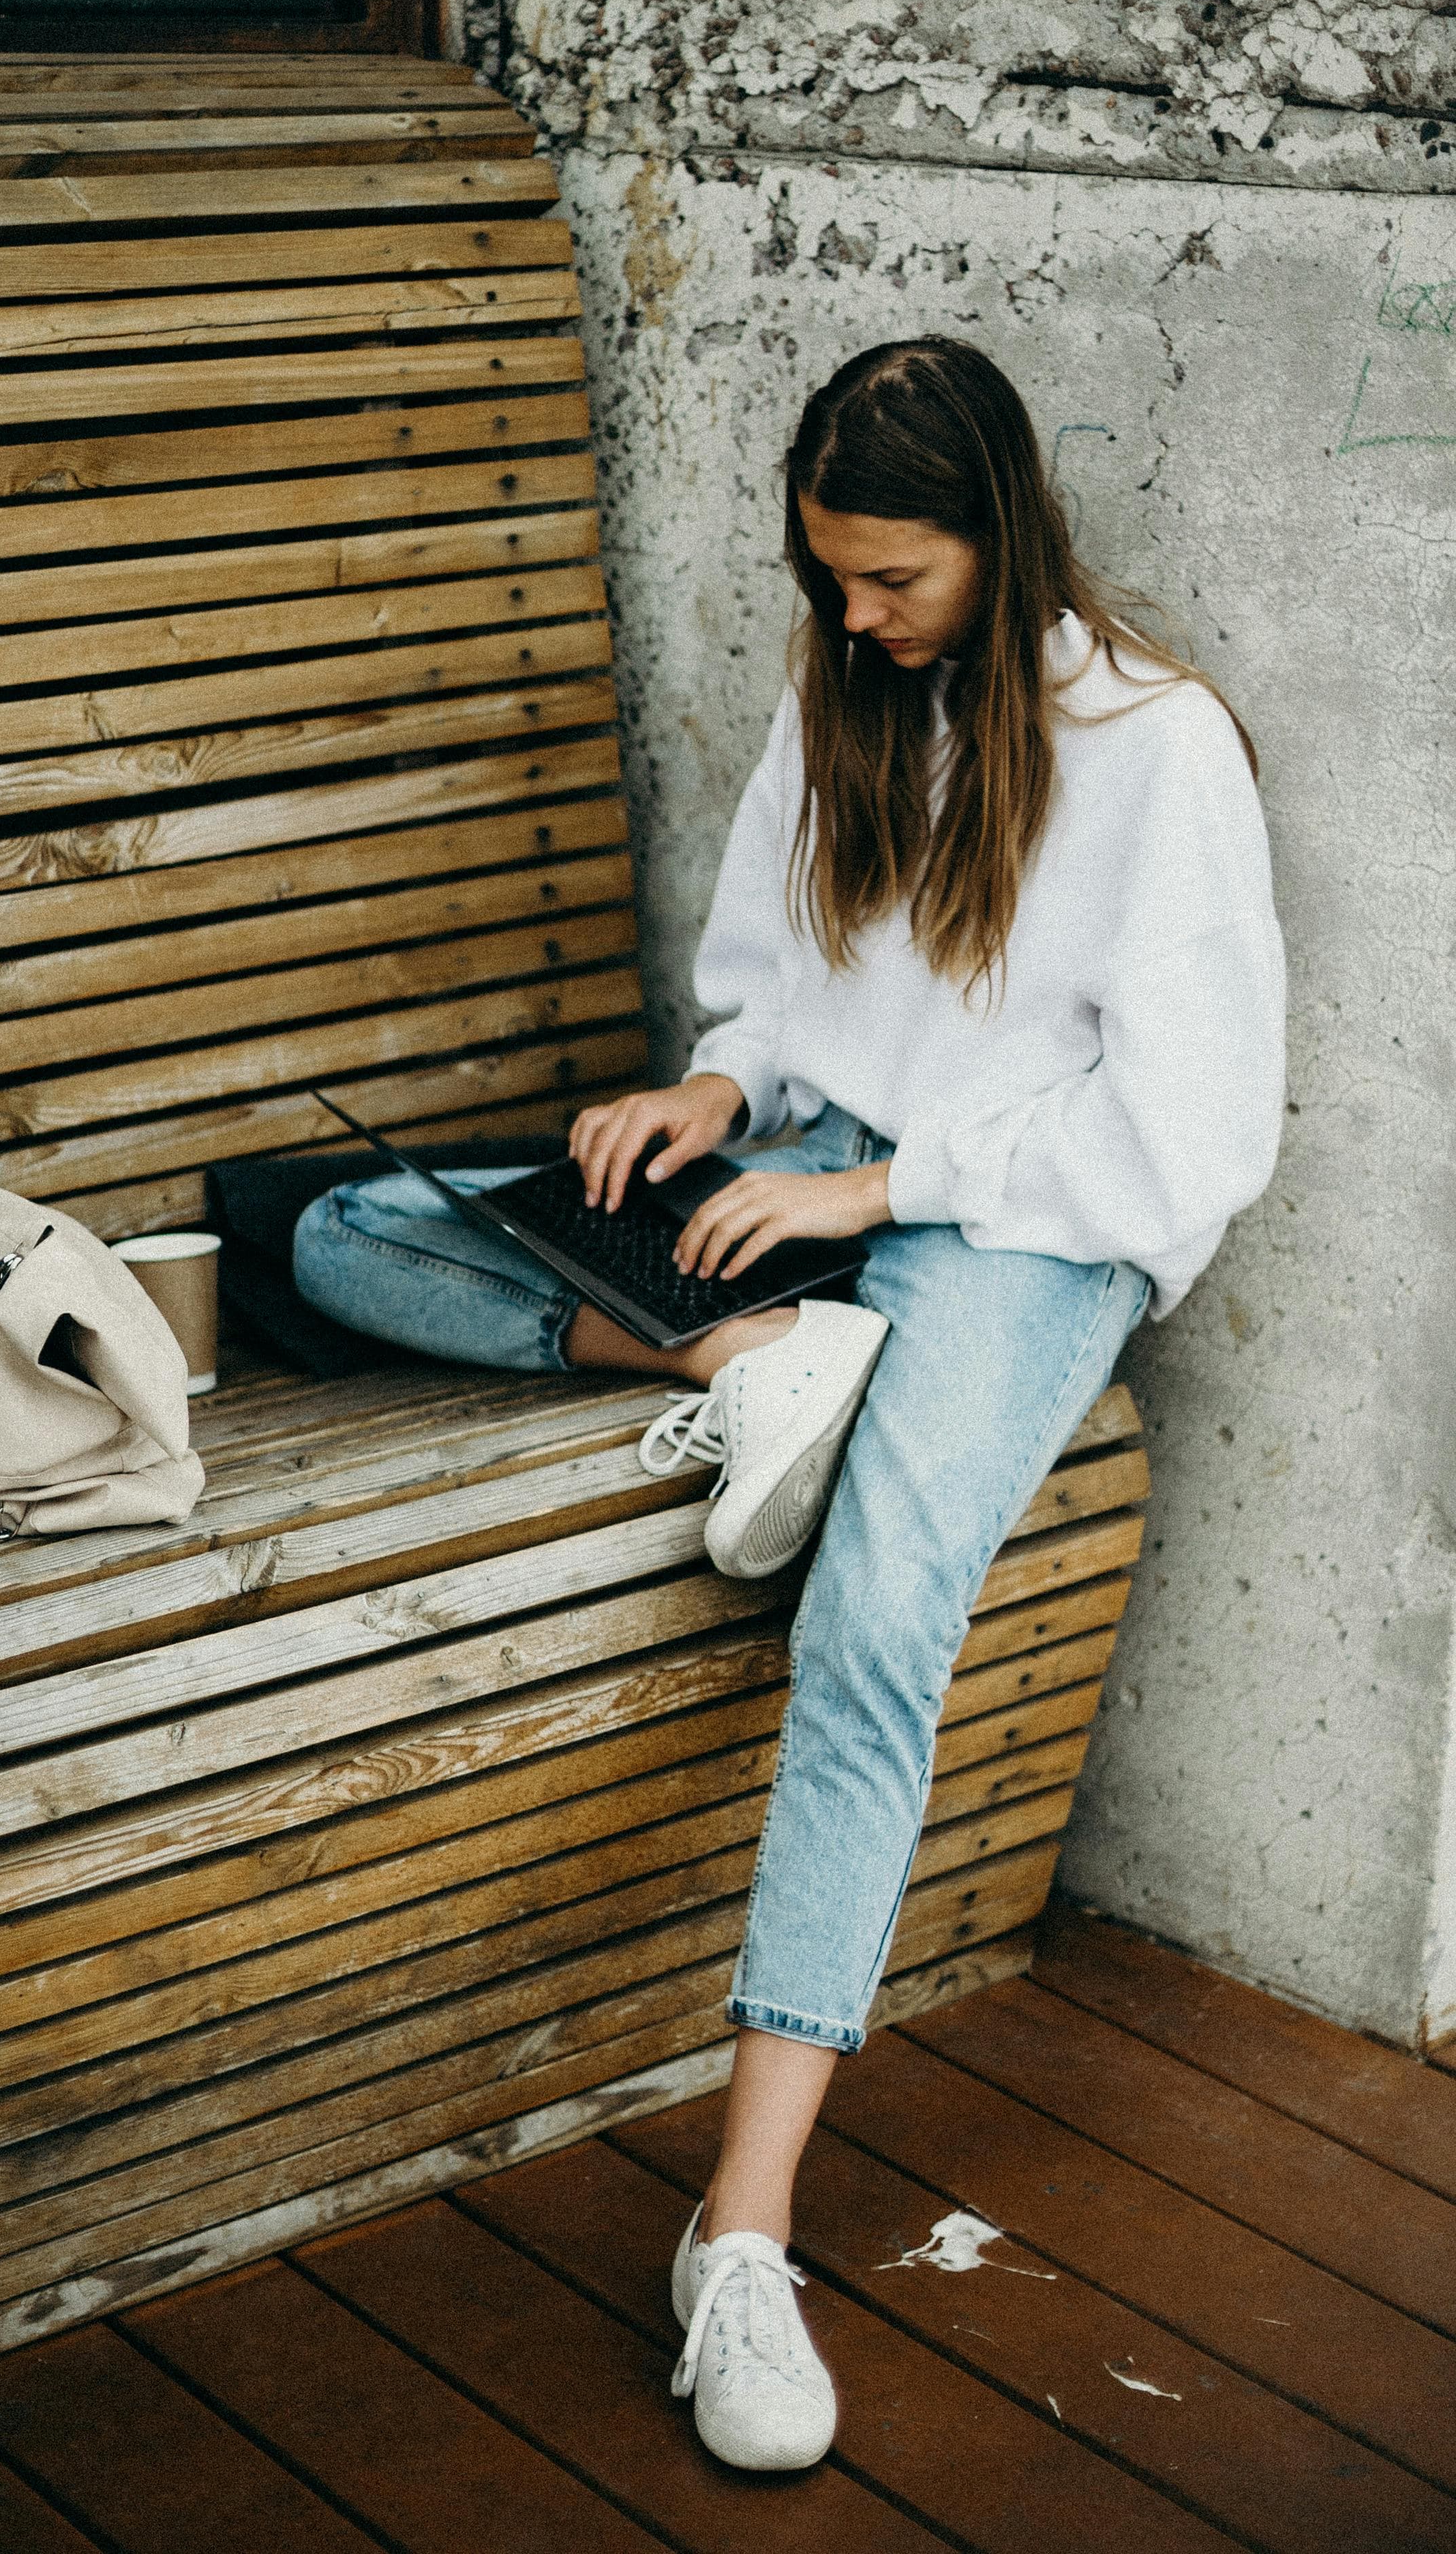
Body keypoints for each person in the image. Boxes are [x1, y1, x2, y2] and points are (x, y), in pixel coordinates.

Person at [294, 335, 1285, 2473]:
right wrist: (707, 1090)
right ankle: (734, 1357)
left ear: (997, 538)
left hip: (1015, 1229)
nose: (852, 615)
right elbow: (772, 974)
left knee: (870, 1617)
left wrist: (878, 1184)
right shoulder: (842, 685)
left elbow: (1192, 1133)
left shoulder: (1152, 746)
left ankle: (735, 2240)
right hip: (802, 1193)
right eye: (826, 575)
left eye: (893, 578)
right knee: (341, 1241)